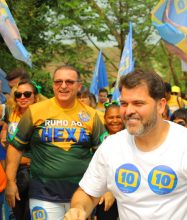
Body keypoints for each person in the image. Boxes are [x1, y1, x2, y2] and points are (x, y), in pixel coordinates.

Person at [64, 70, 187, 220]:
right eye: (124, 103)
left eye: (138, 103)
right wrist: (78, 209)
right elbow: (87, 193)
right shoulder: (111, 146)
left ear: (161, 106)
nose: (128, 111)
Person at [5, 65, 106, 219]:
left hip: (83, 195)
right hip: (43, 193)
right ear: (53, 85)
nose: (63, 86)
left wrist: (106, 188)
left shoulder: (92, 116)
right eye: (58, 81)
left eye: (69, 82)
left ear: (79, 86)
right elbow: (16, 147)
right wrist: (10, 182)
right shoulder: (35, 111)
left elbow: (104, 155)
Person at [1, 79, 46, 220]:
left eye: (27, 94)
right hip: (14, 173)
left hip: (35, 172)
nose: (22, 98)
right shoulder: (11, 112)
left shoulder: (43, 116)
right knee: (17, 214)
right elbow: (7, 130)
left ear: (35, 97)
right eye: (18, 95)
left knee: (32, 214)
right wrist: (4, 133)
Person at [94, 102, 123, 220]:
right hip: (103, 193)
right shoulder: (98, 139)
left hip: (125, 190)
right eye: (111, 117)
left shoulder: (133, 137)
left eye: (118, 117)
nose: (115, 120)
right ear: (105, 119)